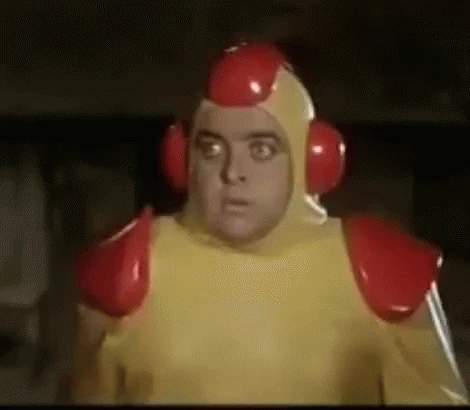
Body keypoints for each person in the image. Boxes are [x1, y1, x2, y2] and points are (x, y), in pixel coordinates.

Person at [67, 43, 468, 405]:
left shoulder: (377, 275)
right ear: (182, 158)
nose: (232, 172)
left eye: (261, 149)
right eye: (212, 148)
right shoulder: (127, 271)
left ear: (312, 157)